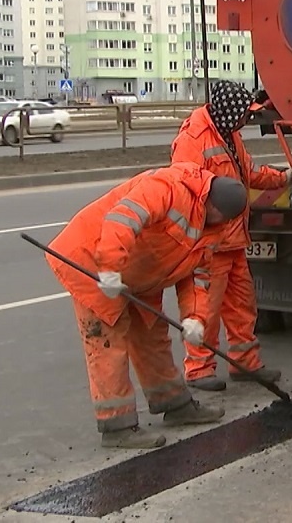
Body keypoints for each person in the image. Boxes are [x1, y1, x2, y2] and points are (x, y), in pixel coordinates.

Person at [46, 163, 249, 449]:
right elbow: (122, 220)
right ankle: (117, 426)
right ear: (210, 202)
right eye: (219, 216)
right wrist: (110, 268)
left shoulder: (214, 227)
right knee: (108, 344)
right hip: (94, 262)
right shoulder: (167, 187)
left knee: (153, 337)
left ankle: (174, 404)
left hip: (140, 277)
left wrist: (195, 318)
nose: (220, 222)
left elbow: (198, 276)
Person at [170, 80, 292, 392]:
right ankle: (199, 369)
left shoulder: (228, 135)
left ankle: (245, 364)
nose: (246, 120)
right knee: (205, 310)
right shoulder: (194, 140)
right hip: (209, 244)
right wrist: (199, 240)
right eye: (244, 114)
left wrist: (283, 178)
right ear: (228, 113)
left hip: (233, 240)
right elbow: (184, 192)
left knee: (242, 307)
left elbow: (248, 174)